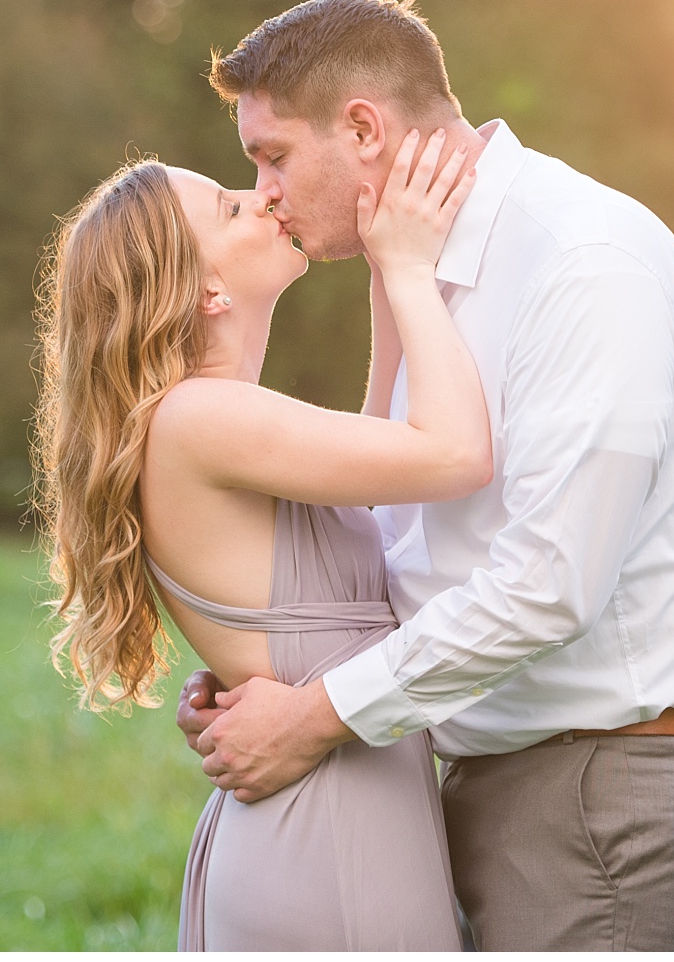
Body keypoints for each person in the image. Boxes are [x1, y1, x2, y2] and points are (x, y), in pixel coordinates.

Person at [176, 0, 674, 951]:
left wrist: (317, 714)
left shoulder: (580, 262)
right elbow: (411, 545)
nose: (266, 192)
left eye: (273, 157)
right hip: (507, 773)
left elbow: (549, 585)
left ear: (363, 128)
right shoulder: (424, 273)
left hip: (612, 789)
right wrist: (270, 671)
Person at [31, 125, 489, 948]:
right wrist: (417, 271)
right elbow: (452, 453)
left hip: (325, 817)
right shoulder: (203, 417)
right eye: (233, 204)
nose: (266, 196)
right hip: (332, 837)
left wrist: (389, 274)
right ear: (206, 286)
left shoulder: (196, 422)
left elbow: (382, 462)